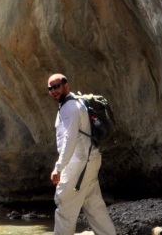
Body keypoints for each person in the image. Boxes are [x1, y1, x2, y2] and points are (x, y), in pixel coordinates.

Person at [47, 73, 117, 235]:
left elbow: (69, 139)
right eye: (50, 88)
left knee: (65, 209)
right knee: (94, 207)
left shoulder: (69, 108)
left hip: (78, 165)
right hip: (91, 160)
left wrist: (58, 167)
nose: (53, 91)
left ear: (66, 85)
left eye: (57, 86)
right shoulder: (78, 102)